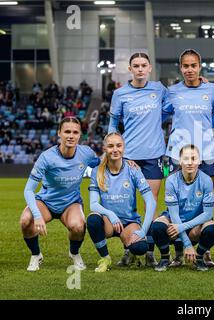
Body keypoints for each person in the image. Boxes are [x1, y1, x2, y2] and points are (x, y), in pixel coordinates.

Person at [108, 52, 168, 267]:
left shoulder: (159, 89)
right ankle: (130, 249)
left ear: (150, 68)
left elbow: (176, 103)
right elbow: (114, 123)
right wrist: (113, 148)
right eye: (136, 65)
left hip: (153, 157)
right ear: (130, 69)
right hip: (129, 156)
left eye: (144, 65)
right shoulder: (120, 94)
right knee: (126, 206)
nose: (140, 69)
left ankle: (150, 251)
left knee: (149, 204)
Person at [162, 49, 214, 267]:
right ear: (181, 68)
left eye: (193, 65)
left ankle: (204, 252)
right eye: (185, 66)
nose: (189, 70)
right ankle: (179, 251)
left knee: (204, 202)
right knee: (177, 204)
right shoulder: (172, 91)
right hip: (178, 155)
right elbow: (162, 112)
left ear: (200, 66)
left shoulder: (212, 89)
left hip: (205, 155)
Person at [20, 117, 100, 271]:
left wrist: (127, 162)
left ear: (80, 135)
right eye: (67, 131)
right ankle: (36, 255)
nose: (71, 135)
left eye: (75, 132)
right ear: (59, 133)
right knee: (25, 220)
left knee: (78, 226)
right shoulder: (46, 157)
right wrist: (37, 215)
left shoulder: (87, 153)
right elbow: (28, 190)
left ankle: (74, 253)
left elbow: (101, 165)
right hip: (46, 202)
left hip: (70, 204)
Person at [86, 132, 157, 272]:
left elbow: (151, 202)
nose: (115, 149)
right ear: (105, 149)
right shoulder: (97, 171)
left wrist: (142, 231)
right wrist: (110, 215)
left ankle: (131, 252)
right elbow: (93, 204)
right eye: (111, 146)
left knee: (140, 247)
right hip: (109, 222)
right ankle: (105, 259)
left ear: (124, 147)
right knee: (93, 220)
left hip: (129, 222)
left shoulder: (133, 169)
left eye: (119, 145)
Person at [151, 144, 214, 271]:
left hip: (195, 224)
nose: (190, 162)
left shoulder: (206, 180)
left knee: (212, 229)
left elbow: (208, 214)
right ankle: (165, 258)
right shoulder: (171, 180)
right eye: (186, 159)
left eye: (193, 158)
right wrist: (187, 244)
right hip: (175, 223)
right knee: (157, 226)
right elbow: (174, 215)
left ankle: (198, 258)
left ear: (199, 161)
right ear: (180, 161)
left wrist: (183, 227)